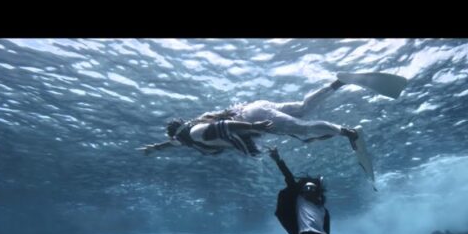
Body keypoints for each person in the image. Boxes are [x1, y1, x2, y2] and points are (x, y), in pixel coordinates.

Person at [138, 78, 361, 157]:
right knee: (303, 108)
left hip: (252, 117)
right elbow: (174, 143)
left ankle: (346, 131)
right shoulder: (187, 133)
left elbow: (225, 126)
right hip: (255, 106)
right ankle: (336, 84)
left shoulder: (196, 133)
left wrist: (254, 126)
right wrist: (156, 147)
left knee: (302, 128)